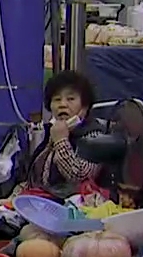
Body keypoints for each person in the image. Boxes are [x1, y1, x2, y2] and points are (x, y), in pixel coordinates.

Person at [25, 70, 103, 199]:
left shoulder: (94, 136)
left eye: (70, 99)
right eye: (57, 99)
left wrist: (61, 141)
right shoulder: (50, 133)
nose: (62, 105)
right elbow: (34, 179)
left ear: (84, 106)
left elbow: (79, 176)